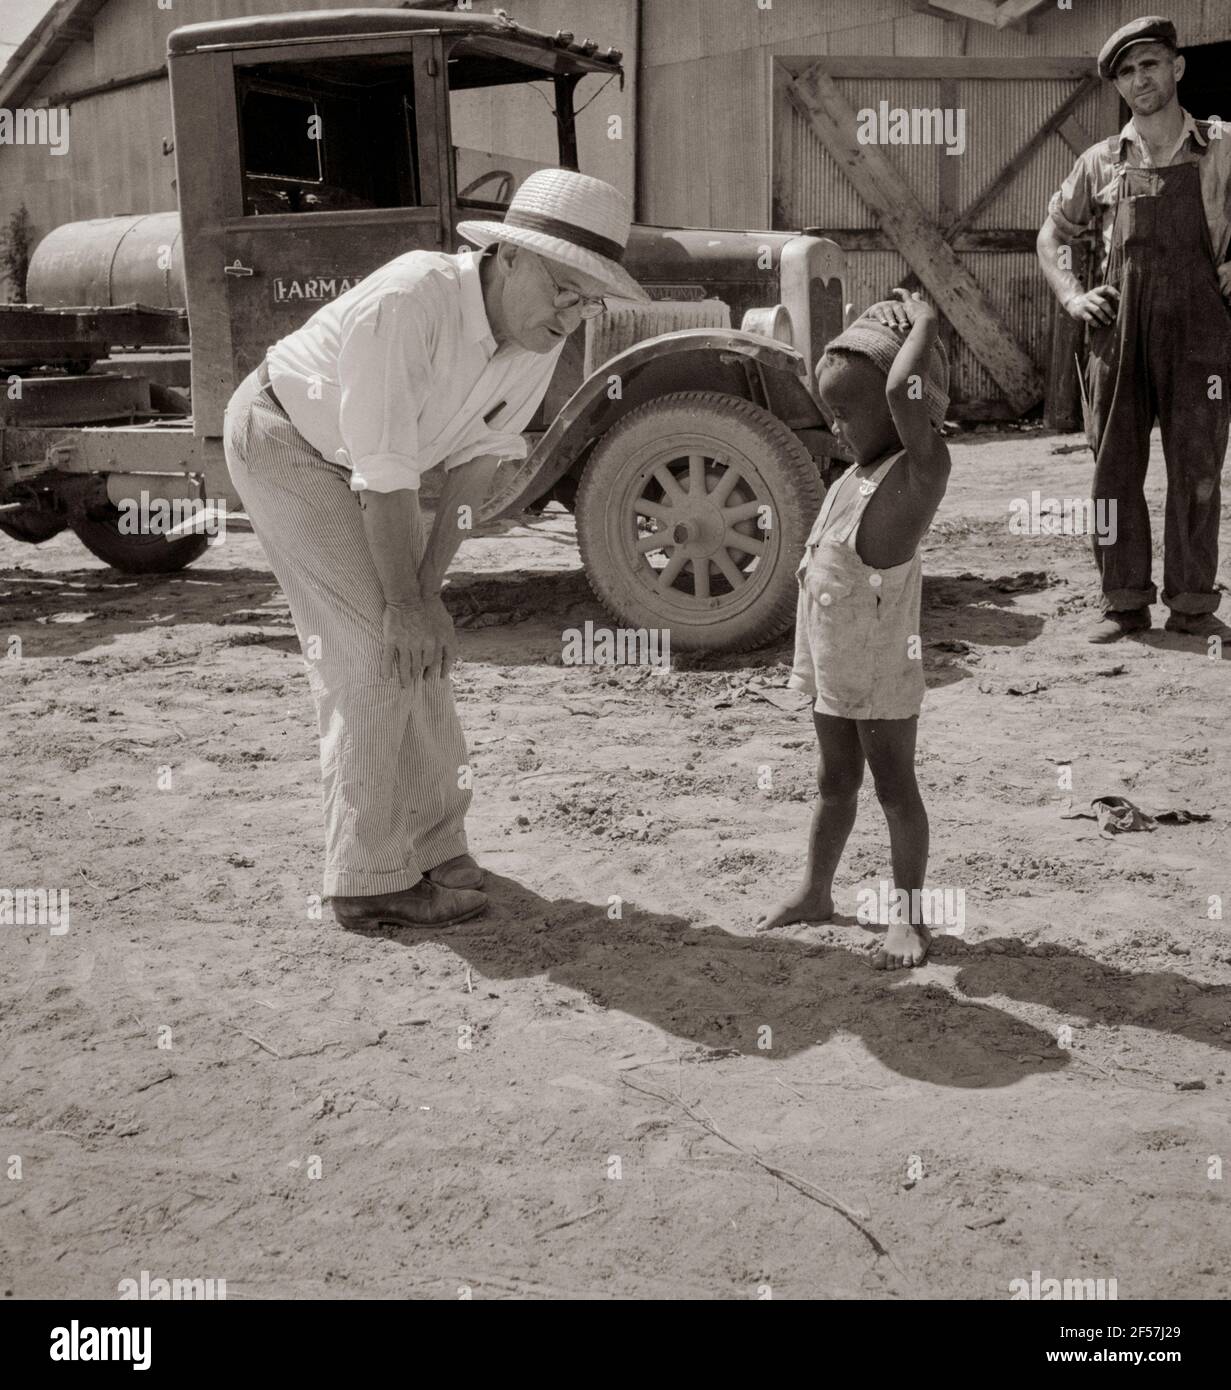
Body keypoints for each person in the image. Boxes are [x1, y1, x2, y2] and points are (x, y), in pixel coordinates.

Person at [223, 169, 647, 930]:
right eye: (561, 288)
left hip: (363, 466)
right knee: (370, 649)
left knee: (423, 647)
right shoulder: (409, 301)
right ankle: (367, 877)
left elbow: (471, 475)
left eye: (589, 300)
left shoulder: (536, 335)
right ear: (507, 256)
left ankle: (435, 841)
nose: (571, 314)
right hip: (283, 439)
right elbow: (382, 476)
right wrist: (401, 602)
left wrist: (426, 596)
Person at [755, 291, 950, 970]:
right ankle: (814, 890)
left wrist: (926, 317)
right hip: (833, 667)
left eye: (844, 414)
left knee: (895, 790)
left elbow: (902, 390)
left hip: (881, 670)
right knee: (834, 781)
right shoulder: (854, 475)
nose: (835, 429)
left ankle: (909, 917)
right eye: (829, 414)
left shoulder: (919, 470)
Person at [1036, 15, 1231, 643]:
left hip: (1200, 330)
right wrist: (1071, 294)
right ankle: (1123, 602)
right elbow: (1053, 237)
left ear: (1177, 67)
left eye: (1149, 64)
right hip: (1117, 332)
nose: (1139, 79)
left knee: (1196, 468)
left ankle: (1194, 606)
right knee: (1113, 470)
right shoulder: (1101, 161)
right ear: (1117, 86)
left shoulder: (1220, 147)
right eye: (1126, 71)